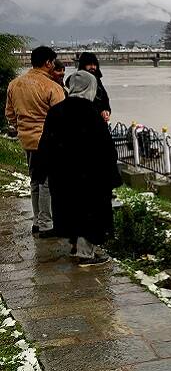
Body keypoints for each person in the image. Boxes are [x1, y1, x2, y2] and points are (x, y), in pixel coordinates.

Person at [33, 70, 122, 266]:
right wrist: (112, 176)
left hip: (62, 175)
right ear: (91, 88)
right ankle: (86, 255)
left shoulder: (56, 112)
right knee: (90, 213)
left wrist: (40, 171)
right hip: (89, 177)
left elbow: (46, 143)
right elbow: (105, 148)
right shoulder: (92, 114)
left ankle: (74, 246)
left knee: (68, 209)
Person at [4, 46, 65, 236]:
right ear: (48, 63)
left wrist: (21, 127)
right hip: (48, 141)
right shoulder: (52, 87)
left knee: (35, 180)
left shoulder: (15, 84)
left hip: (27, 140)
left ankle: (37, 220)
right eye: (53, 62)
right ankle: (47, 224)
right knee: (48, 182)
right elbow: (61, 118)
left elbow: (10, 114)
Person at [76, 52, 111, 122]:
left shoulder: (98, 81)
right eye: (89, 64)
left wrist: (106, 111)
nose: (93, 67)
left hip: (99, 123)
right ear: (83, 65)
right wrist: (99, 111)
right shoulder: (77, 82)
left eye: (94, 64)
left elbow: (105, 100)